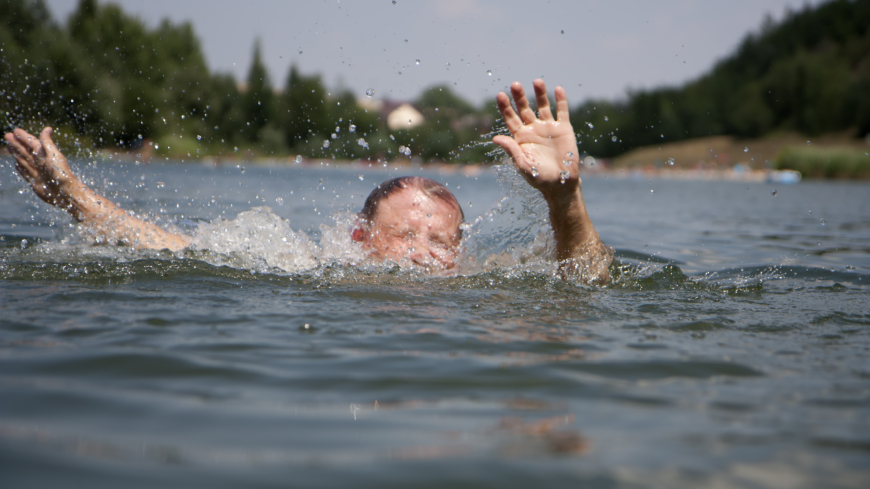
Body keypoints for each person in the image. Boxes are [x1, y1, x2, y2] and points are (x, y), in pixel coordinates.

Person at [4, 80, 613, 283]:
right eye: (403, 236)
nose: (422, 255)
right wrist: (73, 196)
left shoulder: (477, 286)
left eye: (439, 244)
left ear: (460, 253)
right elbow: (170, 249)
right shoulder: (308, 264)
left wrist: (566, 199)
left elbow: (587, 278)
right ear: (357, 237)